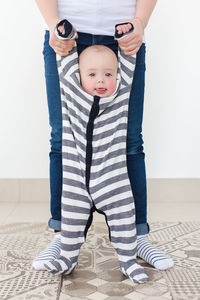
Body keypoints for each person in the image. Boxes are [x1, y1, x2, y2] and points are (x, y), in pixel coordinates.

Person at [32, 0, 174, 272]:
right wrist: (52, 24)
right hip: (66, 33)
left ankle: (137, 236)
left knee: (130, 141)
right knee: (62, 139)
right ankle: (62, 236)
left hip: (123, 34)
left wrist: (141, 22)